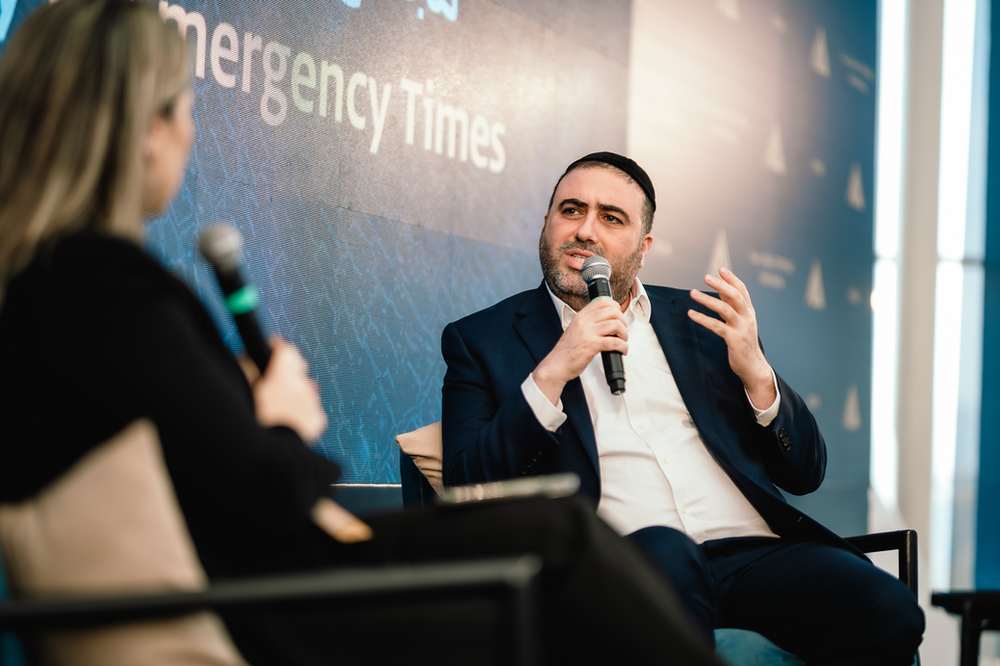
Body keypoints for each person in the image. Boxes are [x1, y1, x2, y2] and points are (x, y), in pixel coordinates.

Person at [0, 3, 722, 665]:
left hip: (270, 579)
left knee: (560, 536)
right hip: (283, 601)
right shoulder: (108, 287)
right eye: (185, 108)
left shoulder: (46, 286)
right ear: (146, 131)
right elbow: (275, 493)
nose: (191, 130)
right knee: (560, 540)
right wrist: (281, 416)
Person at [441, 151, 926, 664]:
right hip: (628, 563)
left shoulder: (701, 321)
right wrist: (553, 371)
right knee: (667, 551)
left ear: (643, 247)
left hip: (751, 555)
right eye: (570, 210)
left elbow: (804, 472)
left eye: (611, 217)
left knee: (888, 608)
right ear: (546, 224)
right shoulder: (482, 340)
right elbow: (468, 485)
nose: (585, 231)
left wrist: (758, 373)